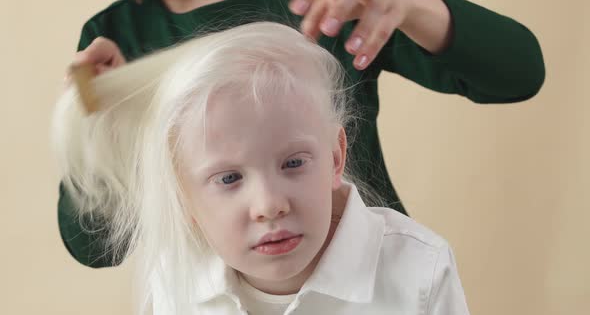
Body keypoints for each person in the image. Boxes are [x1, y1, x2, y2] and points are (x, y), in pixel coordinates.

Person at [60, 0, 545, 268]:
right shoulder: (118, 37)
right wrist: (107, 131)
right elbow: (93, 247)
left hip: (376, 283)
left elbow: (518, 73)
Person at [53, 22, 470, 314]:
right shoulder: (172, 277)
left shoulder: (420, 270)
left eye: (293, 163)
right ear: (182, 195)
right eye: (230, 178)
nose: (269, 205)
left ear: (335, 158)